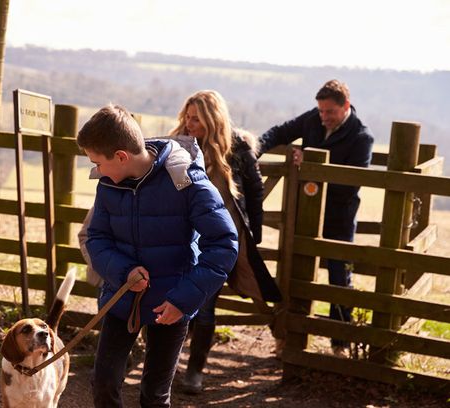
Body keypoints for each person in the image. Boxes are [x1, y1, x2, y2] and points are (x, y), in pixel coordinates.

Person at [78, 104, 238, 408]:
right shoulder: (108, 184)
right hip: (120, 297)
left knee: (154, 396)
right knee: (103, 384)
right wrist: (123, 272)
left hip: (172, 302)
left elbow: (224, 243)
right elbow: (96, 237)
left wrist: (184, 300)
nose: (96, 169)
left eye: (97, 161)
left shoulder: (187, 181)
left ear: (122, 157)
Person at [169, 90, 282, 394]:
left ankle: (194, 371)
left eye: (197, 119)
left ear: (212, 119)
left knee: (205, 306)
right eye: (188, 117)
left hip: (218, 242)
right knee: (175, 299)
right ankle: (167, 365)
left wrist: (252, 236)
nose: (190, 124)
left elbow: (255, 192)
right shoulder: (178, 144)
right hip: (181, 238)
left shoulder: (237, 147)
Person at [258, 79, 374, 357]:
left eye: (330, 112)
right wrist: (254, 149)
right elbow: (279, 132)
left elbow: (350, 185)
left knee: (339, 278)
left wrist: (308, 161)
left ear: (346, 106)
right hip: (305, 215)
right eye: (321, 111)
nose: (323, 117)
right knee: (296, 272)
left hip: (339, 217)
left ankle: (340, 345)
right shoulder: (312, 119)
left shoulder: (362, 137)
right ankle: (289, 340)